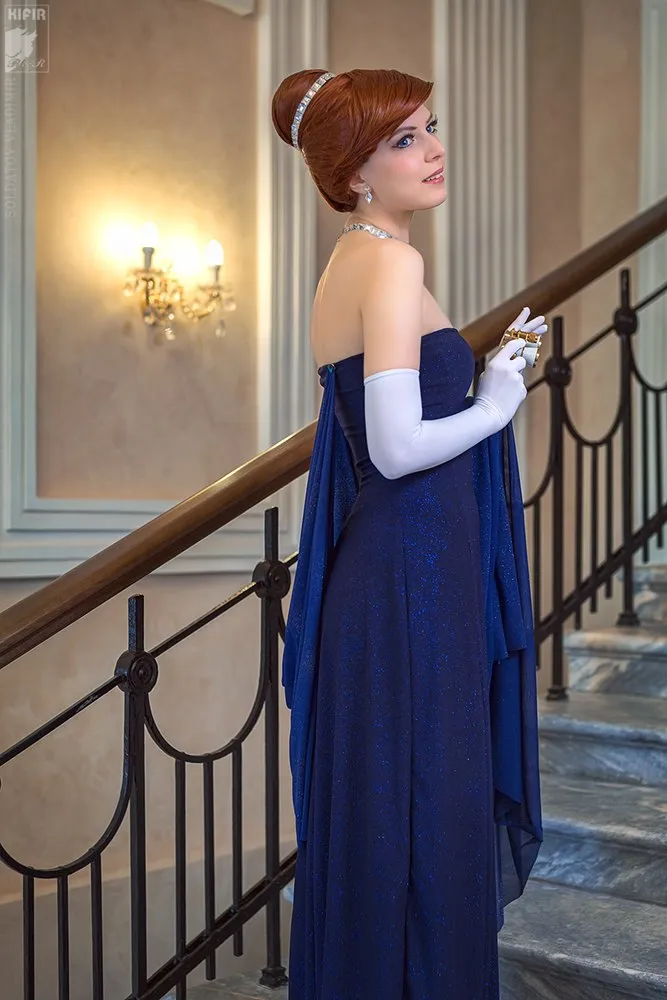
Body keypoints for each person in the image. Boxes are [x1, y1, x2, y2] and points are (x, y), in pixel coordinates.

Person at [272, 67, 545, 1000]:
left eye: (430, 128)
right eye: (402, 139)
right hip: (408, 587)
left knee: (402, 817)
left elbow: (371, 426)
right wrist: (497, 401)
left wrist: (484, 376)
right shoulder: (390, 263)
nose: (432, 150)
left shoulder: (349, 264)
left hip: (398, 578)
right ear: (352, 173)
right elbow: (392, 450)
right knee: (426, 816)